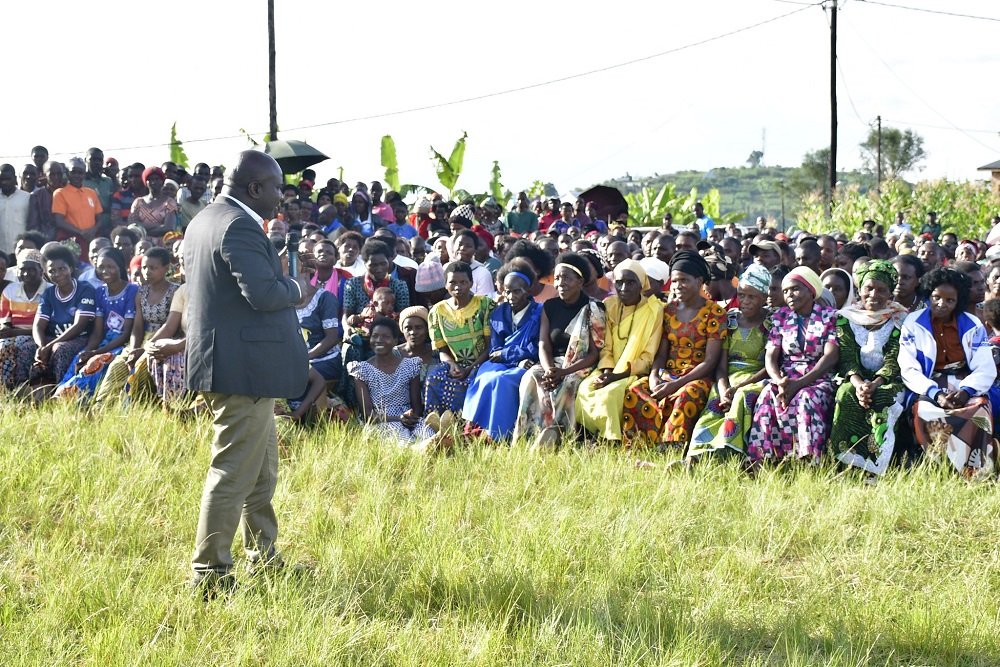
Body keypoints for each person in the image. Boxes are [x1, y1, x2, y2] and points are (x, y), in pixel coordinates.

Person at [184, 150, 310, 596]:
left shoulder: (204, 220)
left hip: (242, 367)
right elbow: (262, 294)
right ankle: (210, 574)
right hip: (242, 371)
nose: (281, 196)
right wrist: (297, 287)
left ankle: (263, 557)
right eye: (276, 187)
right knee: (234, 470)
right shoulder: (237, 225)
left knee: (262, 471)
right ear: (255, 188)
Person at [899, 268, 998, 479]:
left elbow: (984, 366)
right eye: (936, 297)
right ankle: (937, 469)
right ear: (928, 294)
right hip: (927, 381)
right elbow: (908, 367)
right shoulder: (913, 323)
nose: (941, 304)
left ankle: (976, 471)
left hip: (965, 380)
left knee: (978, 409)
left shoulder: (972, 324)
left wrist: (966, 391)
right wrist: (935, 393)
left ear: (959, 301)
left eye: (949, 300)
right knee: (925, 409)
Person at [622, 251, 726, 450]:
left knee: (688, 394)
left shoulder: (715, 312)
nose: (678, 286)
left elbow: (711, 360)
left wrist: (676, 384)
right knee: (636, 389)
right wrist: (654, 378)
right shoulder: (668, 310)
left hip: (697, 375)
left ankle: (672, 445)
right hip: (668, 373)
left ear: (699, 281)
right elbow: (662, 353)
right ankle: (639, 445)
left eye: (684, 280)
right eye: (675, 281)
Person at [746, 266, 839, 465]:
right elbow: (771, 356)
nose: (789, 295)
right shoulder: (780, 317)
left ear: (811, 290)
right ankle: (761, 459)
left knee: (806, 397)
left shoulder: (830, 316)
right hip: (786, 376)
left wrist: (800, 384)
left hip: (818, 378)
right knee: (766, 396)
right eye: (785, 291)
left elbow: (831, 356)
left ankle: (807, 459)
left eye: (795, 289)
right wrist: (779, 381)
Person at [513, 253, 605, 447]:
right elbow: (544, 344)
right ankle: (528, 436)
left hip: (581, 365)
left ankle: (560, 437)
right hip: (554, 363)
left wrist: (563, 372)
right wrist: (549, 370)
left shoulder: (593, 308)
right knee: (531, 376)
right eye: (558, 278)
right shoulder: (550, 306)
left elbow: (594, 353)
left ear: (580, 281)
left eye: (567, 278)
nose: (560, 283)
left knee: (568, 384)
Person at [828, 260, 909, 476]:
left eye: (881, 290)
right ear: (860, 290)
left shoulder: (900, 319)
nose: (874, 294)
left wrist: (874, 384)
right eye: (869, 289)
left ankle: (873, 467)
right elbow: (846, 357)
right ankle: (843, 465)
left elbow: (894, 358)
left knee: (883, 399)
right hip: (854, 378)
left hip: (889, 380)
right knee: (845, 394)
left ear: (890, 292)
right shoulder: (847, 318)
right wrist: (859, 384)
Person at [688, 263, 772, 459]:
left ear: (764, 298)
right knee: (714, 403)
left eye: (752, 297)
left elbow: (770, 366)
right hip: (728, 378)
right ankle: (696, 455)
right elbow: (721, 365)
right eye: (741, 295)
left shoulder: (771, 323)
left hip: (756, 378)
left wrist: (739, 387)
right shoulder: (730, 320)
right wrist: (724, 387)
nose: (745, 302)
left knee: (743, 396)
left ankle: (725, 451)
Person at [576, 260, 664, 442]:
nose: (623, 287)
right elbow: (605, 346)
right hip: (608, 368)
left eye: (631, 282)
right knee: (585, 388)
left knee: (611, 394)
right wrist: (607, 371)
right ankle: (587, 436)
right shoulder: (610, 305)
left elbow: (648, 356)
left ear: (642, 284)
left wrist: (617, 376)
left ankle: (610, 440)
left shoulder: (655, 309)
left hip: (634, 372)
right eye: (619, 282)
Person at [461, 261, 543, 439]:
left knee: (501, 380)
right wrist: (512, 356)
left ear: (528, 290)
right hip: (504, 361)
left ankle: (497, 434)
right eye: (507, 291)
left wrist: (510, 355)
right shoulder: (499, 313)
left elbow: (535, 347)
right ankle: (473, 427)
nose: (511, 296)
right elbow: (495, 349)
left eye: (517, 291)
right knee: (485, 376)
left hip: (526, 363)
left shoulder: (539, 313)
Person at [93, 248, 180, 404]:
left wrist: (146, 348)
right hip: (141, 340)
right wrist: (133, 349)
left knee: (140, 367)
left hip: (163, 341)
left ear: (166, 268)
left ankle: (132, 407)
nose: (147, 272)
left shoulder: (174, 291)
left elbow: (169, 327)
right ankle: (102, 407)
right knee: (118, 365)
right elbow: (138, 327)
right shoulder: (142, 293)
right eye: (144, 267)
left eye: (153, 268)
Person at [53, 248, 138, 401]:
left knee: (96, 362)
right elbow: (98, 332)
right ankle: (61, 392)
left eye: (110, 266)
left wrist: (96, 353)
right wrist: (90, 350)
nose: (105, 270)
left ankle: (72, 397)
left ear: (120, 266)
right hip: (104, 341)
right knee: (79, 359)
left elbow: (126, 333)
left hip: (122, 343)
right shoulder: (99, 292)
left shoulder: (132, 290)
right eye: (101, 267)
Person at [424, 261, 495, 417]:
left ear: (471, 283)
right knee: (434, 378)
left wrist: (470, 368)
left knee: (472, 382)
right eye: (452, 282)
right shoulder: (437, 311)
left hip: (482, 362)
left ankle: (465, 424)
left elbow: (490, 346)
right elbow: (442, 350)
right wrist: (451, 364)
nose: (458, 287)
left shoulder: (484, 305)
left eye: (463, 282)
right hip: (454, 364)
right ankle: (437, 422)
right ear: (445, 284)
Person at [22, 244, 98, 388]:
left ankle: (61, 390)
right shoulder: (49, 294)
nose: (57, 274)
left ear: (71, 268)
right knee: (27, 349)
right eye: (52, 271)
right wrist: (42, 346)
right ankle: (27, 389)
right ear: (46, 275)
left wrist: (49, 346)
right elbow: (38, 325)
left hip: (80, 338)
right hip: (53, 339)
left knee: (60, 349)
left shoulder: (85, 289)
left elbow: (79, 325)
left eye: (62, 269)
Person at [350, 317, 433, 444]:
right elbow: (367, 414)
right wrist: (398, 419)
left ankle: (430, 445)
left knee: (427, 433)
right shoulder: (362, 370)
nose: (379, 340)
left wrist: (411, 419)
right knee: (402, 439)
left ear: (395, 341)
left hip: (409, 418)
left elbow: (416, 406)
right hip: (380, 420)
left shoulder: (410, 366)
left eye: (385, 336)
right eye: (375, 336)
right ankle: (417, 451)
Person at [52, 158, 103, 254]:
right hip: (72, 242)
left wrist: (93, 230)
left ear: (84, 174)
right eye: (73, 172)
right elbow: (59, 221)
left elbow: (99, 218)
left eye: (80, 173)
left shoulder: (91, 193)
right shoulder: (60, 193)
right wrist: (81, 233)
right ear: (67, 173)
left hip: (92, 240)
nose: (77, 176)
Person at [129, 166, 179, 243]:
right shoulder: (138, 202)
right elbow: (132, 224)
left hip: (161, 243)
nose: (154, 182)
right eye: (151, 179)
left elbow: (168, 227)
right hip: (141, 243)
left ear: (162, 181)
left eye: (157, 179)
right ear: (146, 182)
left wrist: (144, 232)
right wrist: (158, 225)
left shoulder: (169, 202)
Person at [395, 305, 440, 380]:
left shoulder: (436, 353)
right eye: (408, 328)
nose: (413, 332)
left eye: (419, 327)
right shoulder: (394, 354)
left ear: (427, 329)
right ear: (402, 330)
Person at [0, 164, 31, 255]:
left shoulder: (26, 197)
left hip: (20, 250)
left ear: (15, 178)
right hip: (1, 251)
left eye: (8, 179)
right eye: (2, 179)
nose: (5, 182)